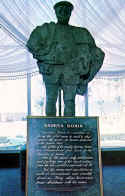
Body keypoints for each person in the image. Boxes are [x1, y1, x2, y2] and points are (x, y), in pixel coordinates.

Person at [26, 1, 105, 116]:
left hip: (71, 71)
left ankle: (69, 132)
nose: (63, 12)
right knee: (51, 99)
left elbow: (96, 54)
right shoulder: (47, 29)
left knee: (69, 102)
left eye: (67, 10)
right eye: (60, 9)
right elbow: (31, 44)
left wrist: (86, 71)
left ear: (70, 13)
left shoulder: (81, 33)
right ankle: (51, 131)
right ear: (55, 12)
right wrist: (48, 54)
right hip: (51, 71)